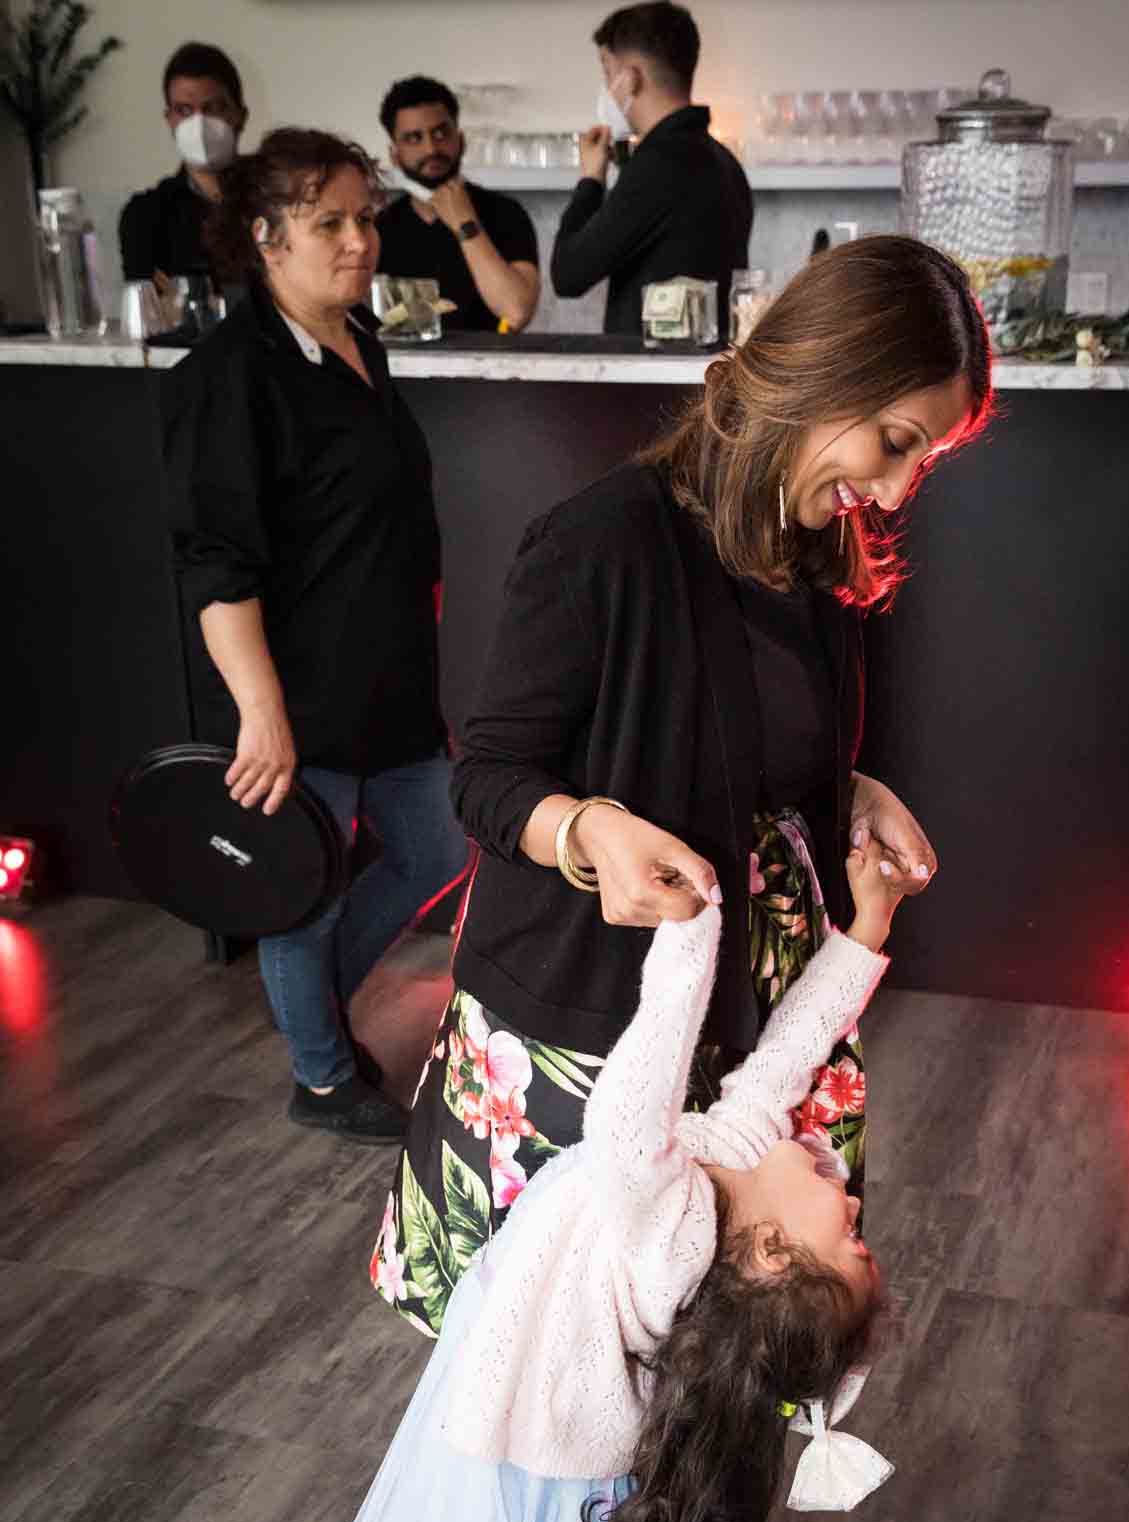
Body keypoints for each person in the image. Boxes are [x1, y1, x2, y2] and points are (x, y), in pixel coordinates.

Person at [376, 233, 992, 1325]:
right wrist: (587, 830)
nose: (895, 488)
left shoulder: (813, 554)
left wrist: (845, 788)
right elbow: (486, 777)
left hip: (756, 1028)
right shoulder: (601, 542)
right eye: (893, 443)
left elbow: (742, 743)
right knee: (556, 1372)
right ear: (816, 378)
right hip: (587, 1035)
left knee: (710, 1384)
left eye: (921, 462)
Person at [277, 844, 904, 1522]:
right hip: (575, 1425)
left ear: (765, 1255)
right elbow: (786, 1054)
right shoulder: (728, 1165)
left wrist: (694, 916)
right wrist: (870, 927)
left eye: (846, 1239)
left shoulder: (667, 1221)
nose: (850, 1202)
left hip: (549, 1445)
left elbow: (631, 1098)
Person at [161, 128, 470, 1145]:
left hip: (384, 676)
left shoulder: (356, 340)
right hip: (297, 693)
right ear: (265, 236)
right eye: (327, 222)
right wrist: (261, 714)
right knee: (306, 892)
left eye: (364, 218)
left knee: (435, 841)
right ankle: (322, 1074)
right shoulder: (230, 375)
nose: (357, 241)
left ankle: (314, 1004)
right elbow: (217, 566)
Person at [551, 3, 752, 336]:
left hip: (654, 378)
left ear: (630, 79)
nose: (605, 87)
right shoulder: (721, 159)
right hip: (699, 372)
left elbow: (568, 275)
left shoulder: (659, 163)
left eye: (607, 71)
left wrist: (590, 179)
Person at [376, 76, 540, 333]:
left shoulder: (506, 214)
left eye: (441, 133)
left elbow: (516, 312)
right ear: (394, 154)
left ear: (460, 140)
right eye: (414, 138)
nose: (431, 148)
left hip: (492, 368)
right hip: (403, 371)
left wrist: (466, 224)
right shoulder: (379, 227)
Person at [119, 42, 248, 288]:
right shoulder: (145, 216)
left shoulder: (276, 199)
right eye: (184, 110)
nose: (198, 123)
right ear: (169, 120)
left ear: (240, 115)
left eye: (214, 108)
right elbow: (152, 310)